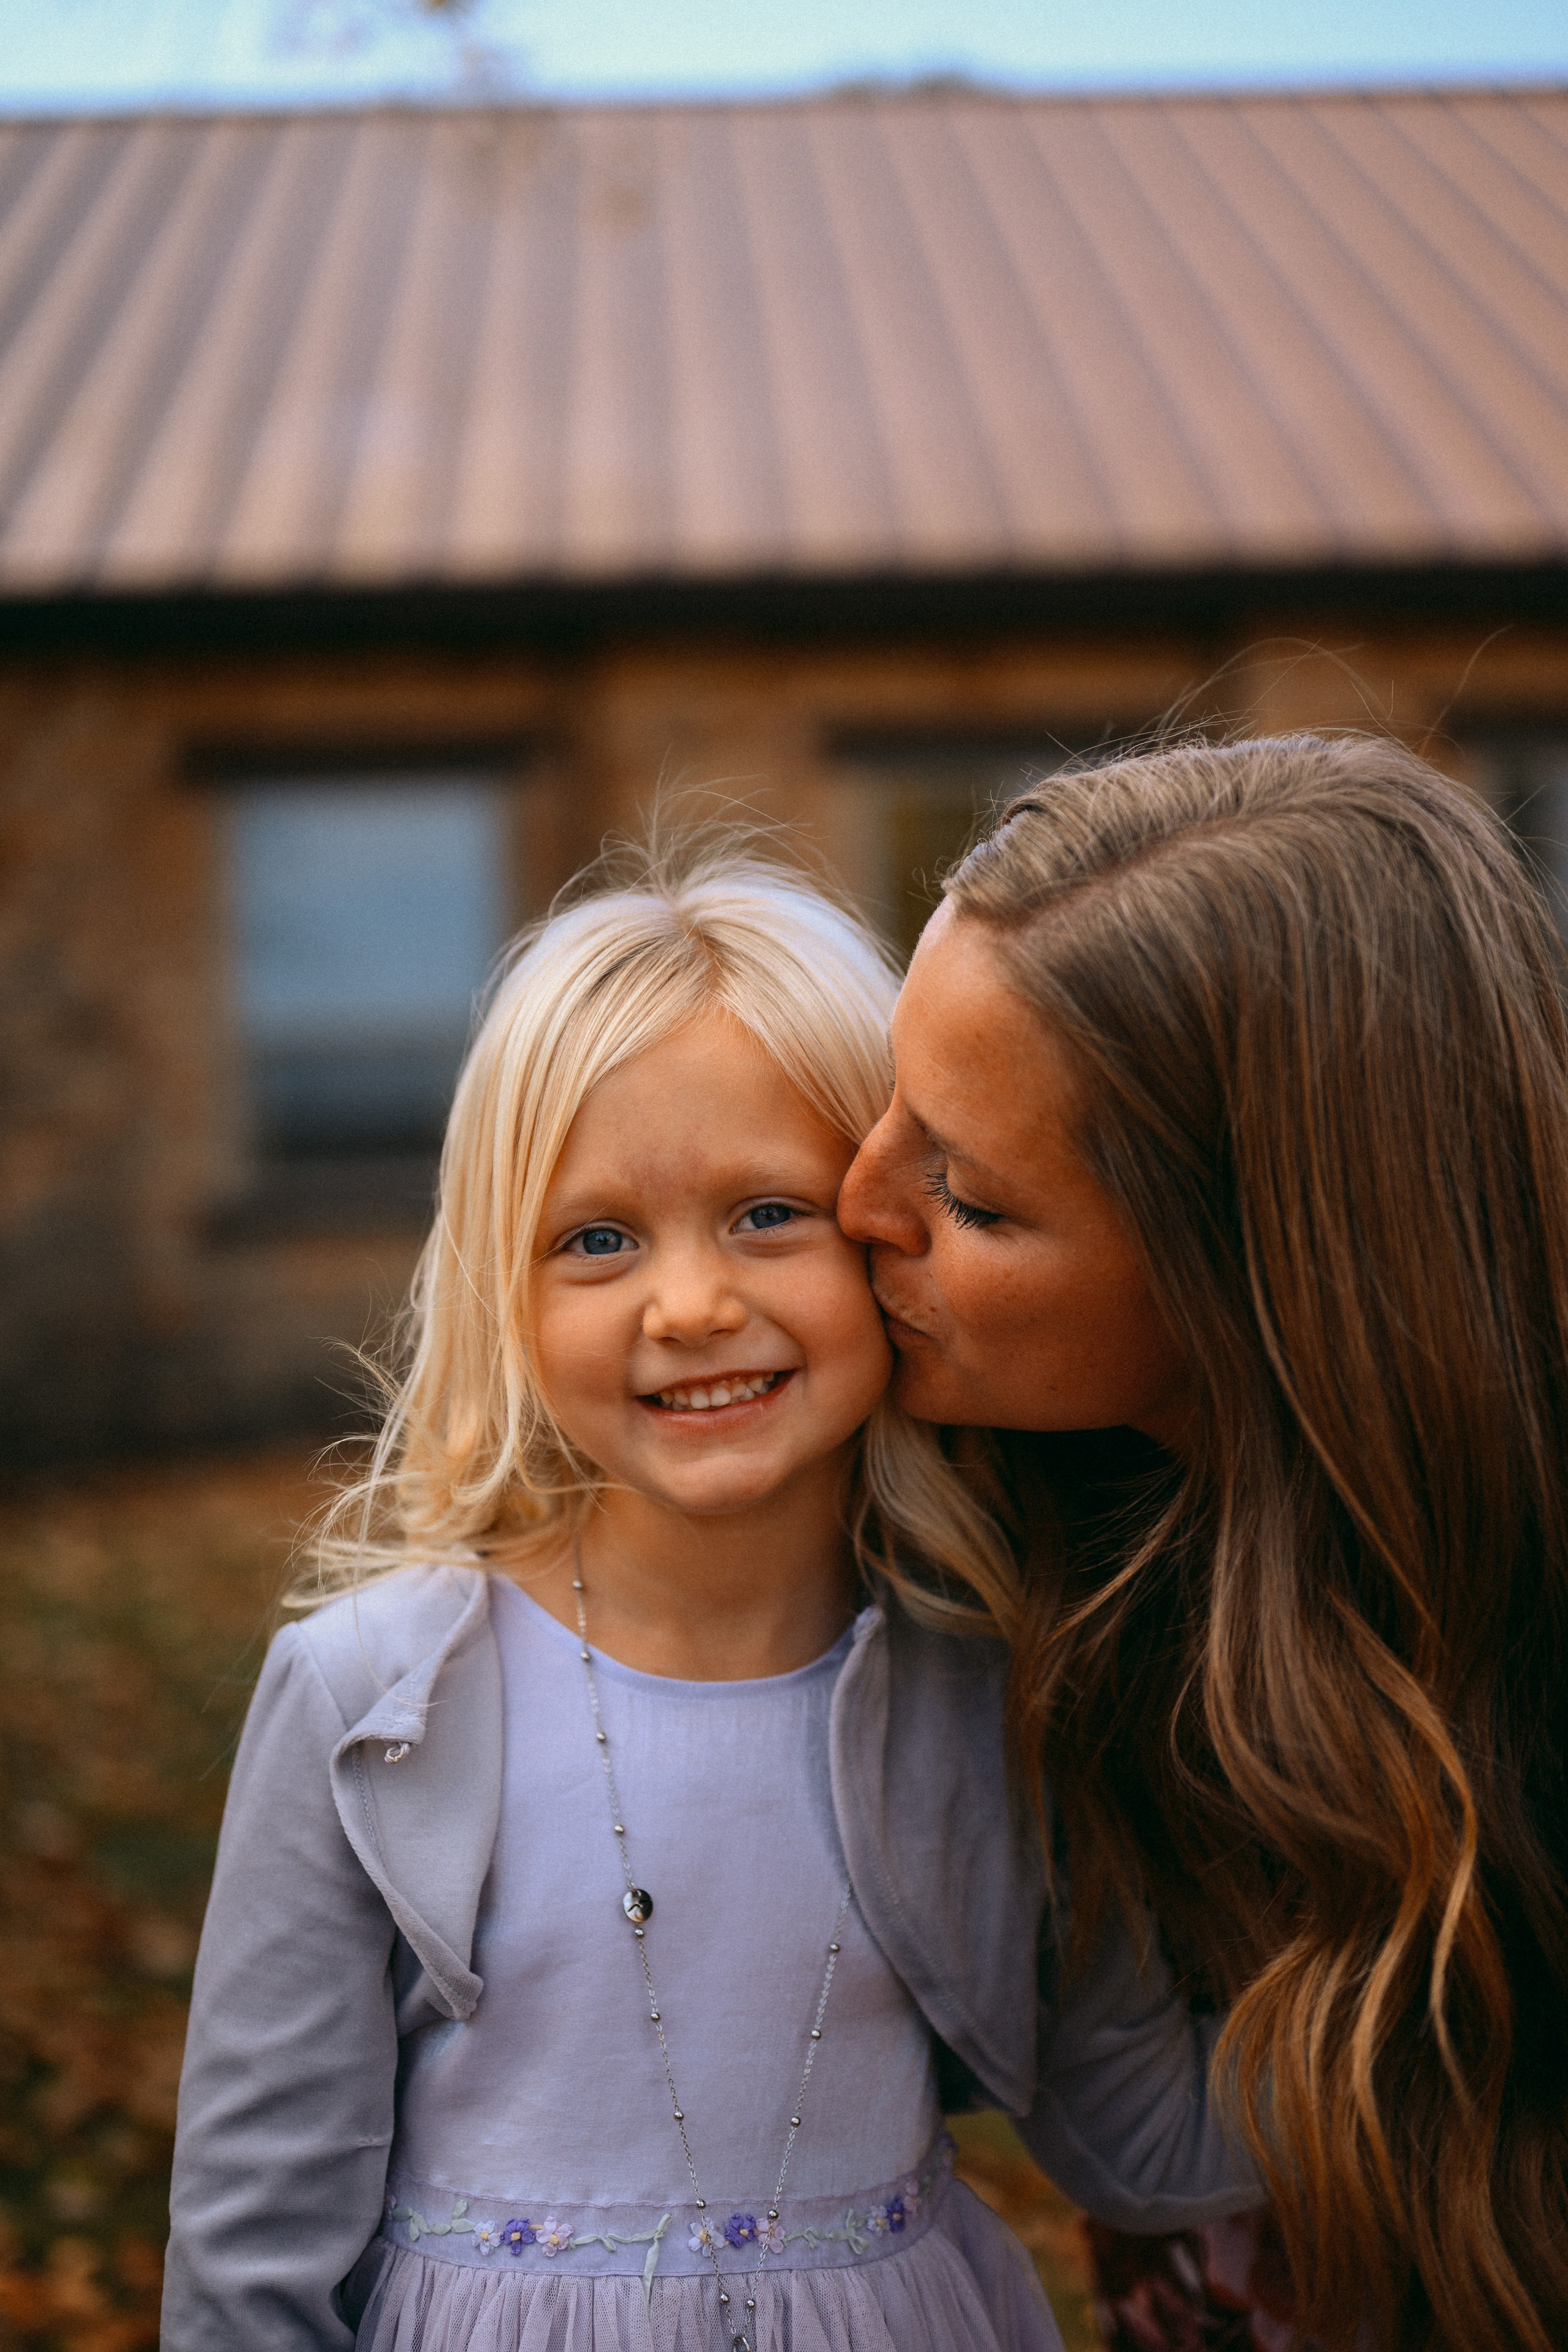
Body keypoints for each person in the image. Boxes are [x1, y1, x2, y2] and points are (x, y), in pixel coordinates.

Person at [162, 846, 1256, 2352]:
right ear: (507, 1289)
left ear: (888, 1228)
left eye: (766, 1214)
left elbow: (1138, 2128)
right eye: (596, 1240)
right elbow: (250, 2249)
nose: (688, 1304)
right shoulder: (375, 1701)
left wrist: (1463, 2023)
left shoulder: (993, 1679)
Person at [838, 733, 1568, 2352]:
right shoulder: (1029, 1546)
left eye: (968, 1194)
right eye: (888, 1104)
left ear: (1257, 1275)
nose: (856, 1196)